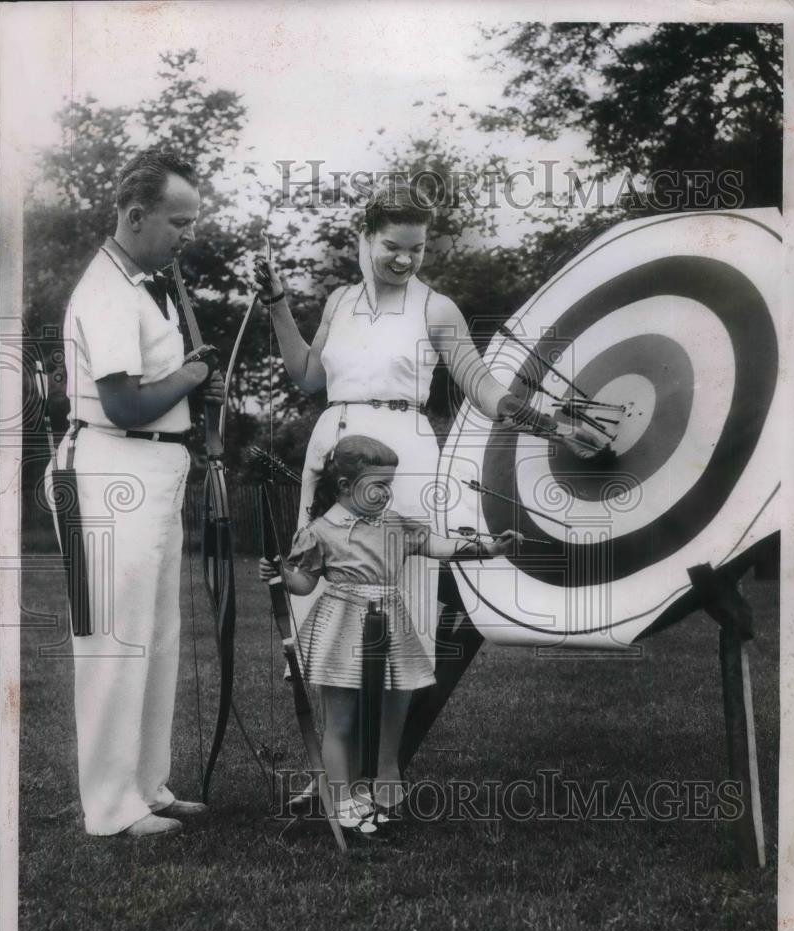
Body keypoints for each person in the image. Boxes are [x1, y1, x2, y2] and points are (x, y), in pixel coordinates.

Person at [254, 176, 602, 796]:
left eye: (416, 249)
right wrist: (279, 304)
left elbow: (483, 386)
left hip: (402, 460)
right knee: (325, 603)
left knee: (396, 609)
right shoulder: (337, 302)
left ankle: (385, 772)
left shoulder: (435, 307)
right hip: (332, 452)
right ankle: (334, 777)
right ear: (364, 237)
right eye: (393, 245)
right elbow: (308, 376)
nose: (405, 258)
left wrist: (547, 425)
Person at [49, 148, 224, 838]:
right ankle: (110, 807)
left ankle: (145, 785)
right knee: (113, 641)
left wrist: (187, 384)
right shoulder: (106, 291)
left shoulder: (138, 286)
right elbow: (122, 403)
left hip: (147, 471)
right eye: (178, 223)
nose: (187, 235)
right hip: (108, 470)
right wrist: (192, 375)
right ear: (135, 215)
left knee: (154, 637)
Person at [259, 435, 521, 837]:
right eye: (376, 484)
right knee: (340, 720)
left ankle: (383, 790)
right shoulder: (321, 531)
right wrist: (279, 572)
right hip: (342, 625)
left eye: (389, 484)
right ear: (345, 486)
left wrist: (489, 549)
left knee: (394, 708)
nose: (385, 493)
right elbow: (302, 584)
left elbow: (439, 544)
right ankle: (343, 801)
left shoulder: (395, 525)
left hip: (391, 623)